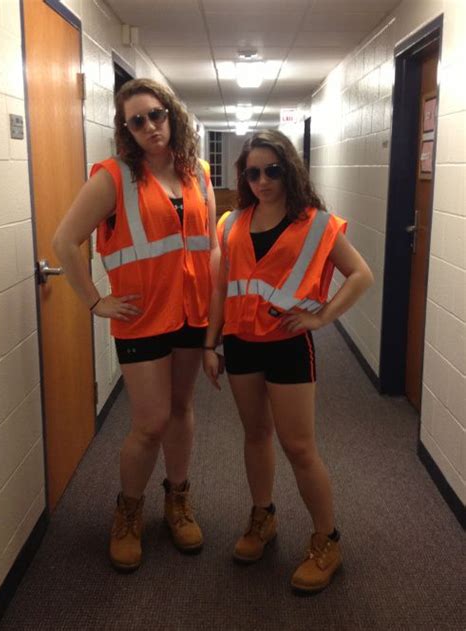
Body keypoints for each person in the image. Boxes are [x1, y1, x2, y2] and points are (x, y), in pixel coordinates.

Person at [53, 78, 219, 572]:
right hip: (141, 316)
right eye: (137, 120)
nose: (151, 126)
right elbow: (64, 241)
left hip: (191, 312)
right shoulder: (113, 176)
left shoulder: (198, 174)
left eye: (157, 115)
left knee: (182, 408)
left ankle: (178, 499)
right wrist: (93, 301)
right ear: (126, 129)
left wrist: (216, 315)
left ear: (172, 115)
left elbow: (209, 245)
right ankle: (128, 512)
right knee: (149, 422)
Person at [203, 129, 374, 593]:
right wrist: (209, 345)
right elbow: (220, 289)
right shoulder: (230, 223)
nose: (262, 180)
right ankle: (263, 518)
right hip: (240, 344)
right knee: (255, 435)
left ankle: (327, 540)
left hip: (288, 344)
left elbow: (361, 275)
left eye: (272, 170)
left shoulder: (316, 223)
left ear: (289, 169)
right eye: (252, 172)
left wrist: (323, 317)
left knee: (299, 447)